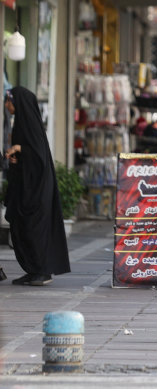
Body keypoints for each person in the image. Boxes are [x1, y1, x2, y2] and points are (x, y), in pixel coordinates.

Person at [4, 87, 70, 286]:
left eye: (9, 101)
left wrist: (19, 148)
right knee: (21, 229)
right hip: (25, 189)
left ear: (19, 103)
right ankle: (33, 270)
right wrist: (16, 159)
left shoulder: (30, 125)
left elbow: (38, 155)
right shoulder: (21, 125)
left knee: (34, 229)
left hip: (36, 191)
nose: (7, 105)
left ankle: (42, 271)